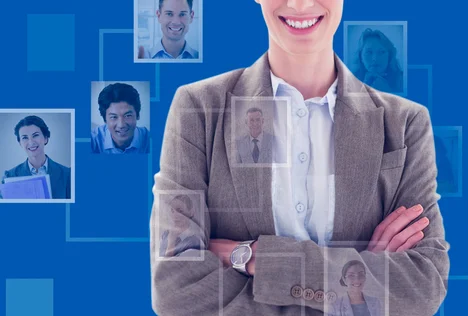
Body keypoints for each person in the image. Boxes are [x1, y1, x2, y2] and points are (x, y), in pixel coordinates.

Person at [150, 0, 449, 315]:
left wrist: (256, 257)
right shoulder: (198, 109)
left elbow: (423, 286)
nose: (300, 4)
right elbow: (175, 290)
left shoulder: (405, 123)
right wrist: (354, 280)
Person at [2, 116, 71, 199]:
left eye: (35, 135)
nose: (31, 142)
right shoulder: (9, 177)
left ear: (46, 138)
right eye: (25, 138)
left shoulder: (67, 174)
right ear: (20, 143)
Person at [91, 83, 151, 154]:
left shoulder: (151, 140)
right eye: (113, 117)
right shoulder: (92, 140)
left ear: (137, 115)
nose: (121, 125)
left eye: (128, 115)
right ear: (105, 120)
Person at [350, 28, 403, 94]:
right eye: (369, 52)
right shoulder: (350, 81)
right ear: (361, 57)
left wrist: (388, 92)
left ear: (389, 56)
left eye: (381, 52)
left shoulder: (403, 79)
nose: (374, 58)